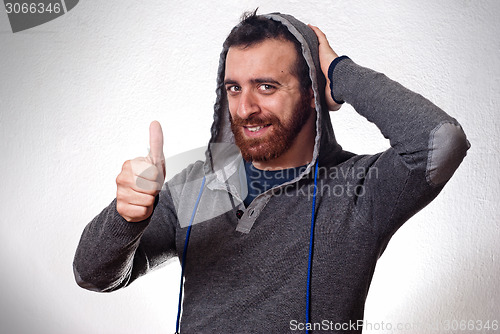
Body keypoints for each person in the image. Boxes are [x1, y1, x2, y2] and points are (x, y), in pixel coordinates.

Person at [73, 11, 470, 333]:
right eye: (233, 88)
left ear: (312, 92)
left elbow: (441, 140)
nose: (245, 108)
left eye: (266, 87)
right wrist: (126, 217)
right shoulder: (197, 185)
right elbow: (92, 275)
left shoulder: (359, 188)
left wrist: (340, 73)